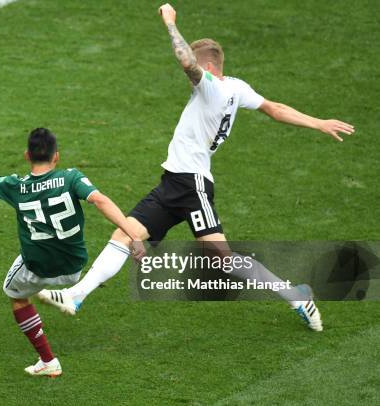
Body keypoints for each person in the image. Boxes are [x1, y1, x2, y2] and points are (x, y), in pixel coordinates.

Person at [38, 3, 355, 332]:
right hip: (173, 183)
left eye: (197, 72)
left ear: (208, 68)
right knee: (125, 234)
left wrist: (171, 24)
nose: (191, 78)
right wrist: (318, 122)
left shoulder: (213, 88)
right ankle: (76, 296)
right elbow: (274, 108)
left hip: (192, 186)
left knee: (224, 259)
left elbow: (186, 61)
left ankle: (297, 296)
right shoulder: (236, 87)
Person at [0, 127, 144, 377]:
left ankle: (48, 360)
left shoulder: (16, 186)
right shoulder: (71, 178)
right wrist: (133, 236)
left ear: (27, 155)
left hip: (37, 269)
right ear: (56, 156)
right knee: (44, 267)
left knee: (15, 296)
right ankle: (65, 296)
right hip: (73, 270)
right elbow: (101, 200)